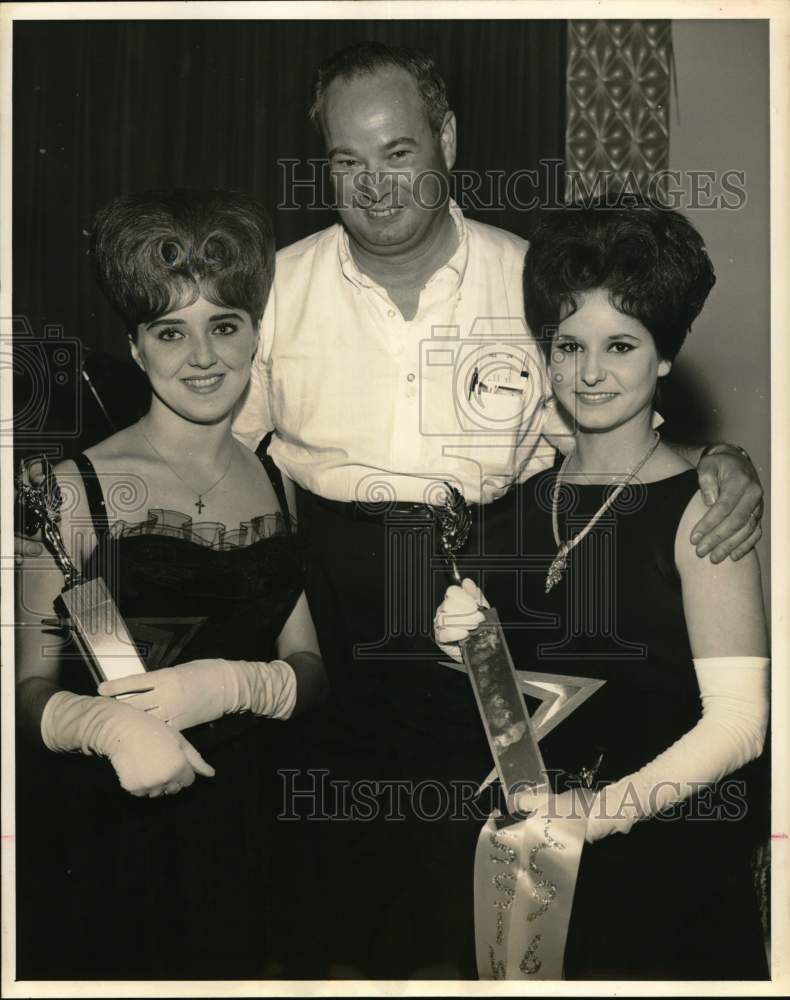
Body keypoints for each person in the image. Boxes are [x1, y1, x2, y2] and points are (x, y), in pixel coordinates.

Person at [230, 43, 765, 979]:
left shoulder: (529, 282)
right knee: (328, 920)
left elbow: (616, 420)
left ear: (446, 137)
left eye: (398, 153)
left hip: (493, 638)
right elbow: (216, 450)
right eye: (348, 162)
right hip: (330, 643)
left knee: (477, 916)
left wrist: (723, 461)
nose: (375, 185)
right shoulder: (277, 288)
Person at [435, 200, 769, 979]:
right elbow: (526, 705)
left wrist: (598, 815)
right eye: (569, 345)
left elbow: (744, 723)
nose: (590, 372)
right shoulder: (517, 504)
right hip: (529, 869)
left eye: (621, 345)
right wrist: (462, 646)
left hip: (658, 866)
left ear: (662, 358)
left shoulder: (702, 509)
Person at [14, 189, 326, 980]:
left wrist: (235, 684)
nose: (201, 357)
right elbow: (25, 691)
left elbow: (311, 668)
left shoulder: (277, 483)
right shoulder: (69, 490)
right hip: (111, 834)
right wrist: (106, 727)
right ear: (137, 346)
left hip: (253, 828)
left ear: (256, 337)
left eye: (224, 326)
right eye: (170, 332)